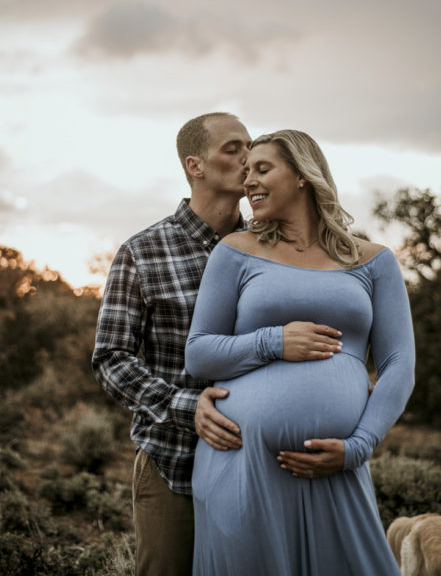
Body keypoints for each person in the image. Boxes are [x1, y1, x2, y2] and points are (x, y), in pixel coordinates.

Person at [92, 114, 344, 576]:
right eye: (233, 148)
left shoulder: (275, 246)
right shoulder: (143, 251)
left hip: (269, 466)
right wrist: (188, 407)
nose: (249, 158)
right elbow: (111, 358)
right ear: (195, 165)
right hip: (175, 464)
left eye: (251, 146)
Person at [185, 129, 415, 576]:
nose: (248, 180)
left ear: (303, 176)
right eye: (246, 170)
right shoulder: (235, 252)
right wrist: (273, 342)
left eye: (262, 169)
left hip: (338, 468)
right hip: (242, 465)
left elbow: (399, 364)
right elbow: (200, 353)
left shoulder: (374, 261)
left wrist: (357, 448)